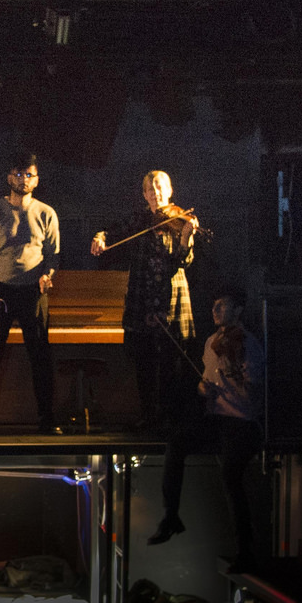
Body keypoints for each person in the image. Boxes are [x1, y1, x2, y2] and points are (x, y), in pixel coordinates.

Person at [149, 290, 265, 569]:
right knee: (176, 443)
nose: (215, 310)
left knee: (231, 477)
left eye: (222, 305)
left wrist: (235, 374)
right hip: (216, 418)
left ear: (238, 310)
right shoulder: (212, 342)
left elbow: (254, 393)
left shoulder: (248, 344)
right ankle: (171, 516)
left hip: (242, 421)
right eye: (214, 305)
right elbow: (205, 383)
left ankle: (246, 551)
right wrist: (204, 388)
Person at [93, 169, 198, 431]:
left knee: (171, 363)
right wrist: (100, 238)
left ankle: (170, 417)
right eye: (151, 189)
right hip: (143, 297)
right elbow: (112, 232)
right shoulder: (139, 219)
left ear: (170, 190)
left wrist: (186, 236)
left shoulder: (179, 220)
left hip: (169, 297)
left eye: (160, 187)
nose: (156, 192)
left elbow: (184, 262)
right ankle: (148, 415)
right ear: (144, 194)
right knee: (144, 361)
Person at [0, 151, 62, 435]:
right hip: (0, 291)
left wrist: (48, 275)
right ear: (9, 177)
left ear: (37, 180)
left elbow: (53, 255)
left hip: (34, 291)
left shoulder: (46, 212)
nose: (24, 179)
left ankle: (47, 420)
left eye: (29, 175)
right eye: (19, 174)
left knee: (40, 356)